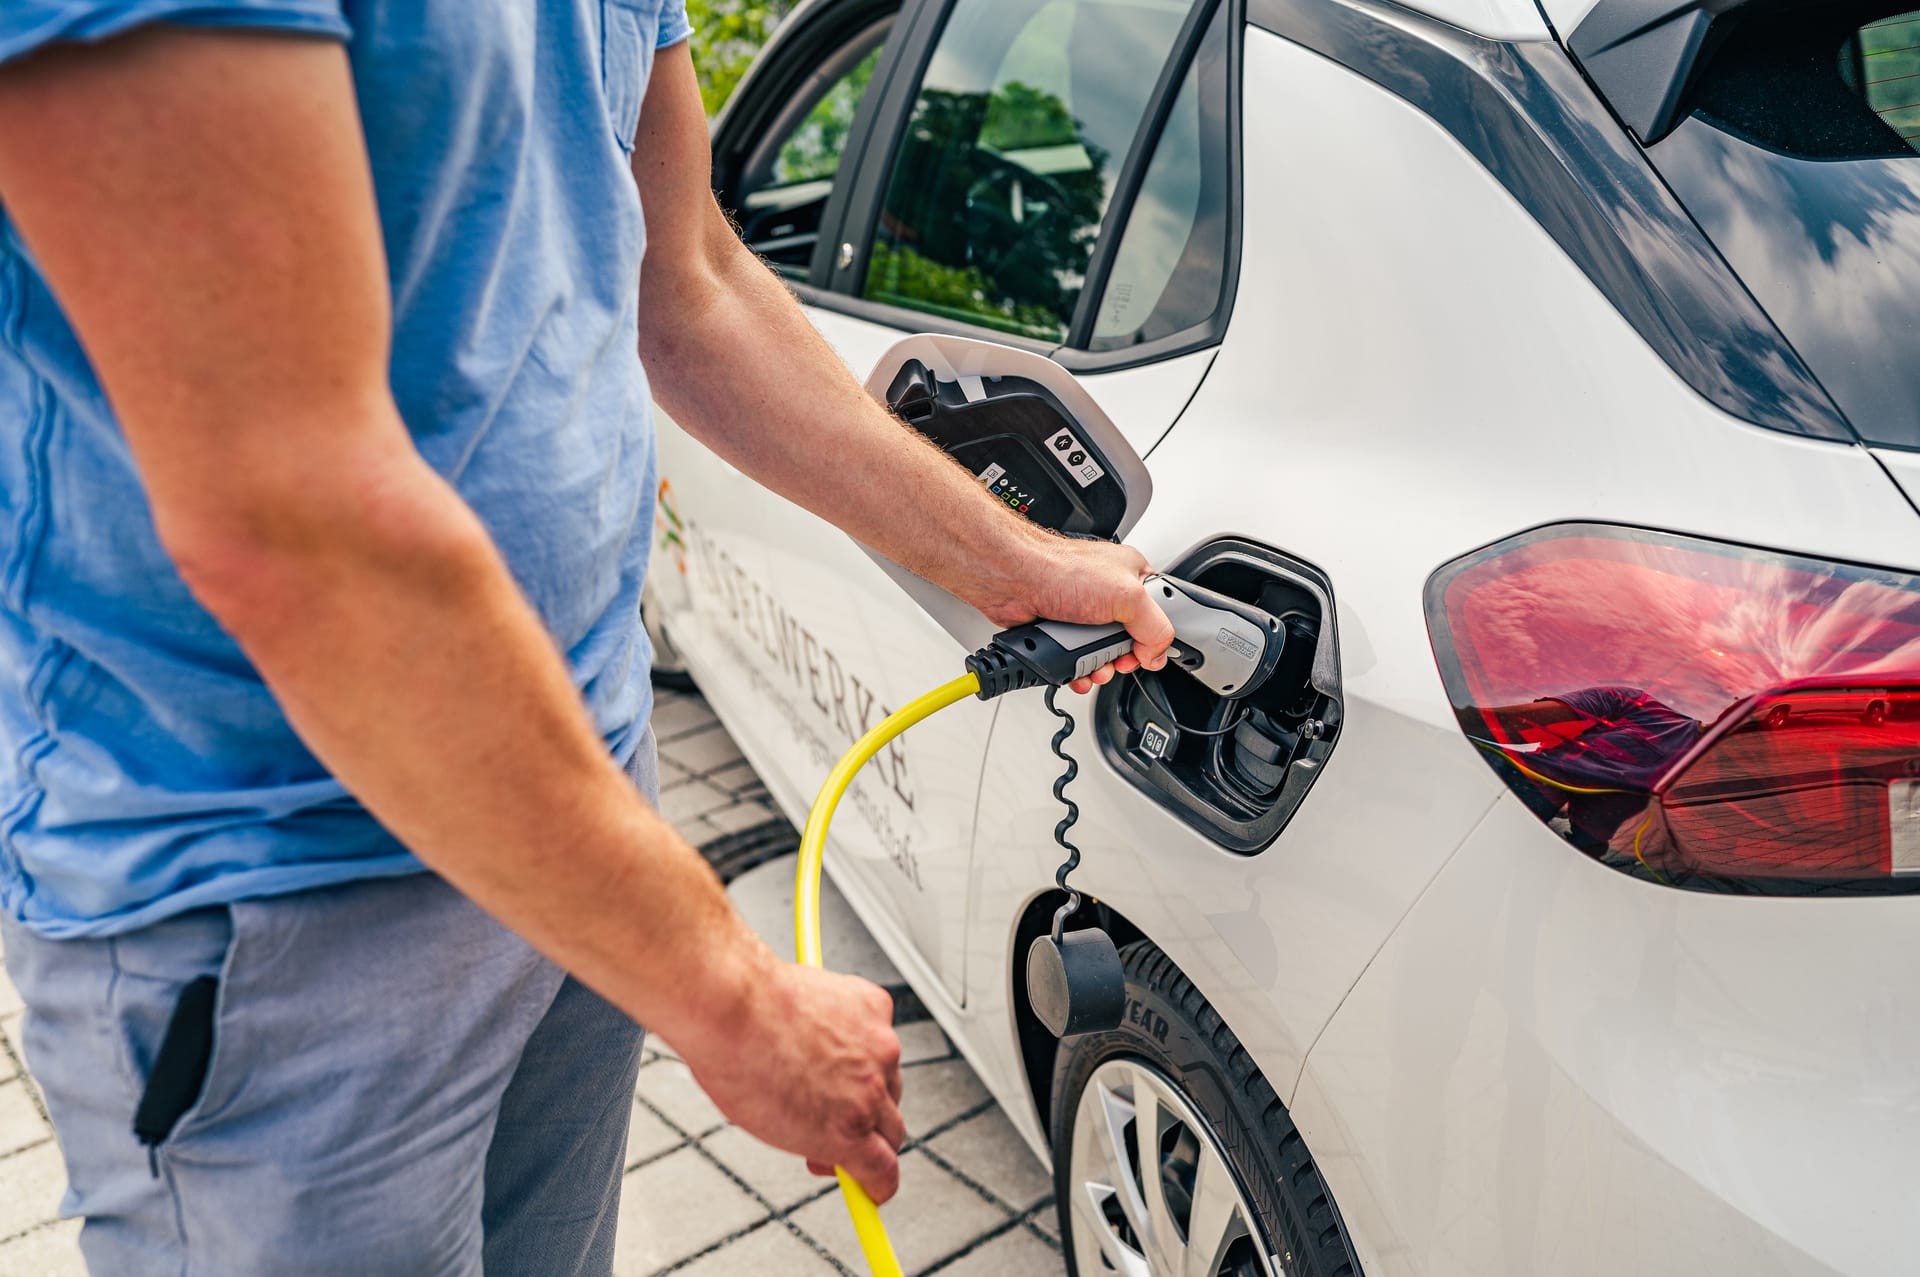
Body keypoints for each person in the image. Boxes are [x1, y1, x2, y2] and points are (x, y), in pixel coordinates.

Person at [0, 5, 1175, 1273]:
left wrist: (1017, 561)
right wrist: (731, 999)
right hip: (277, 898)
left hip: (581, 788)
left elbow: (690, 281)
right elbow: (293, 516)